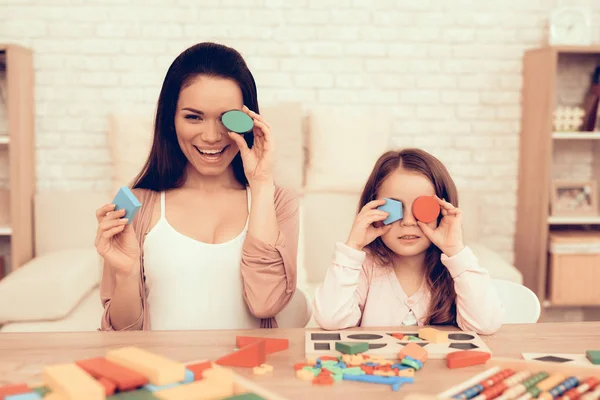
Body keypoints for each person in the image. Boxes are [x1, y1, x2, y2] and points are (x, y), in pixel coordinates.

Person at [95, 42, 299, 331]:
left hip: (249, 374)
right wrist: (126, 274)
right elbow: (121, 334)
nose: (212, 136)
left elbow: (266, 303)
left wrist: (262, 184)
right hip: (166, 373)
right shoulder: (137, 204)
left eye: (227, 119)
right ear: (171, 121)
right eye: (194, 117)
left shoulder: (277, 202)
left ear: (248, 122)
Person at [312, 148, 504, 334]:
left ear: (442, 211)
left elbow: (485, 324)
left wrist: (455, 251)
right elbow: (330, 318)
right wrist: (352, 247)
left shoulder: (457, 269)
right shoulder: (364, 266)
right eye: (394, 208)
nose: (408, 221)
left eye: (424, 208)